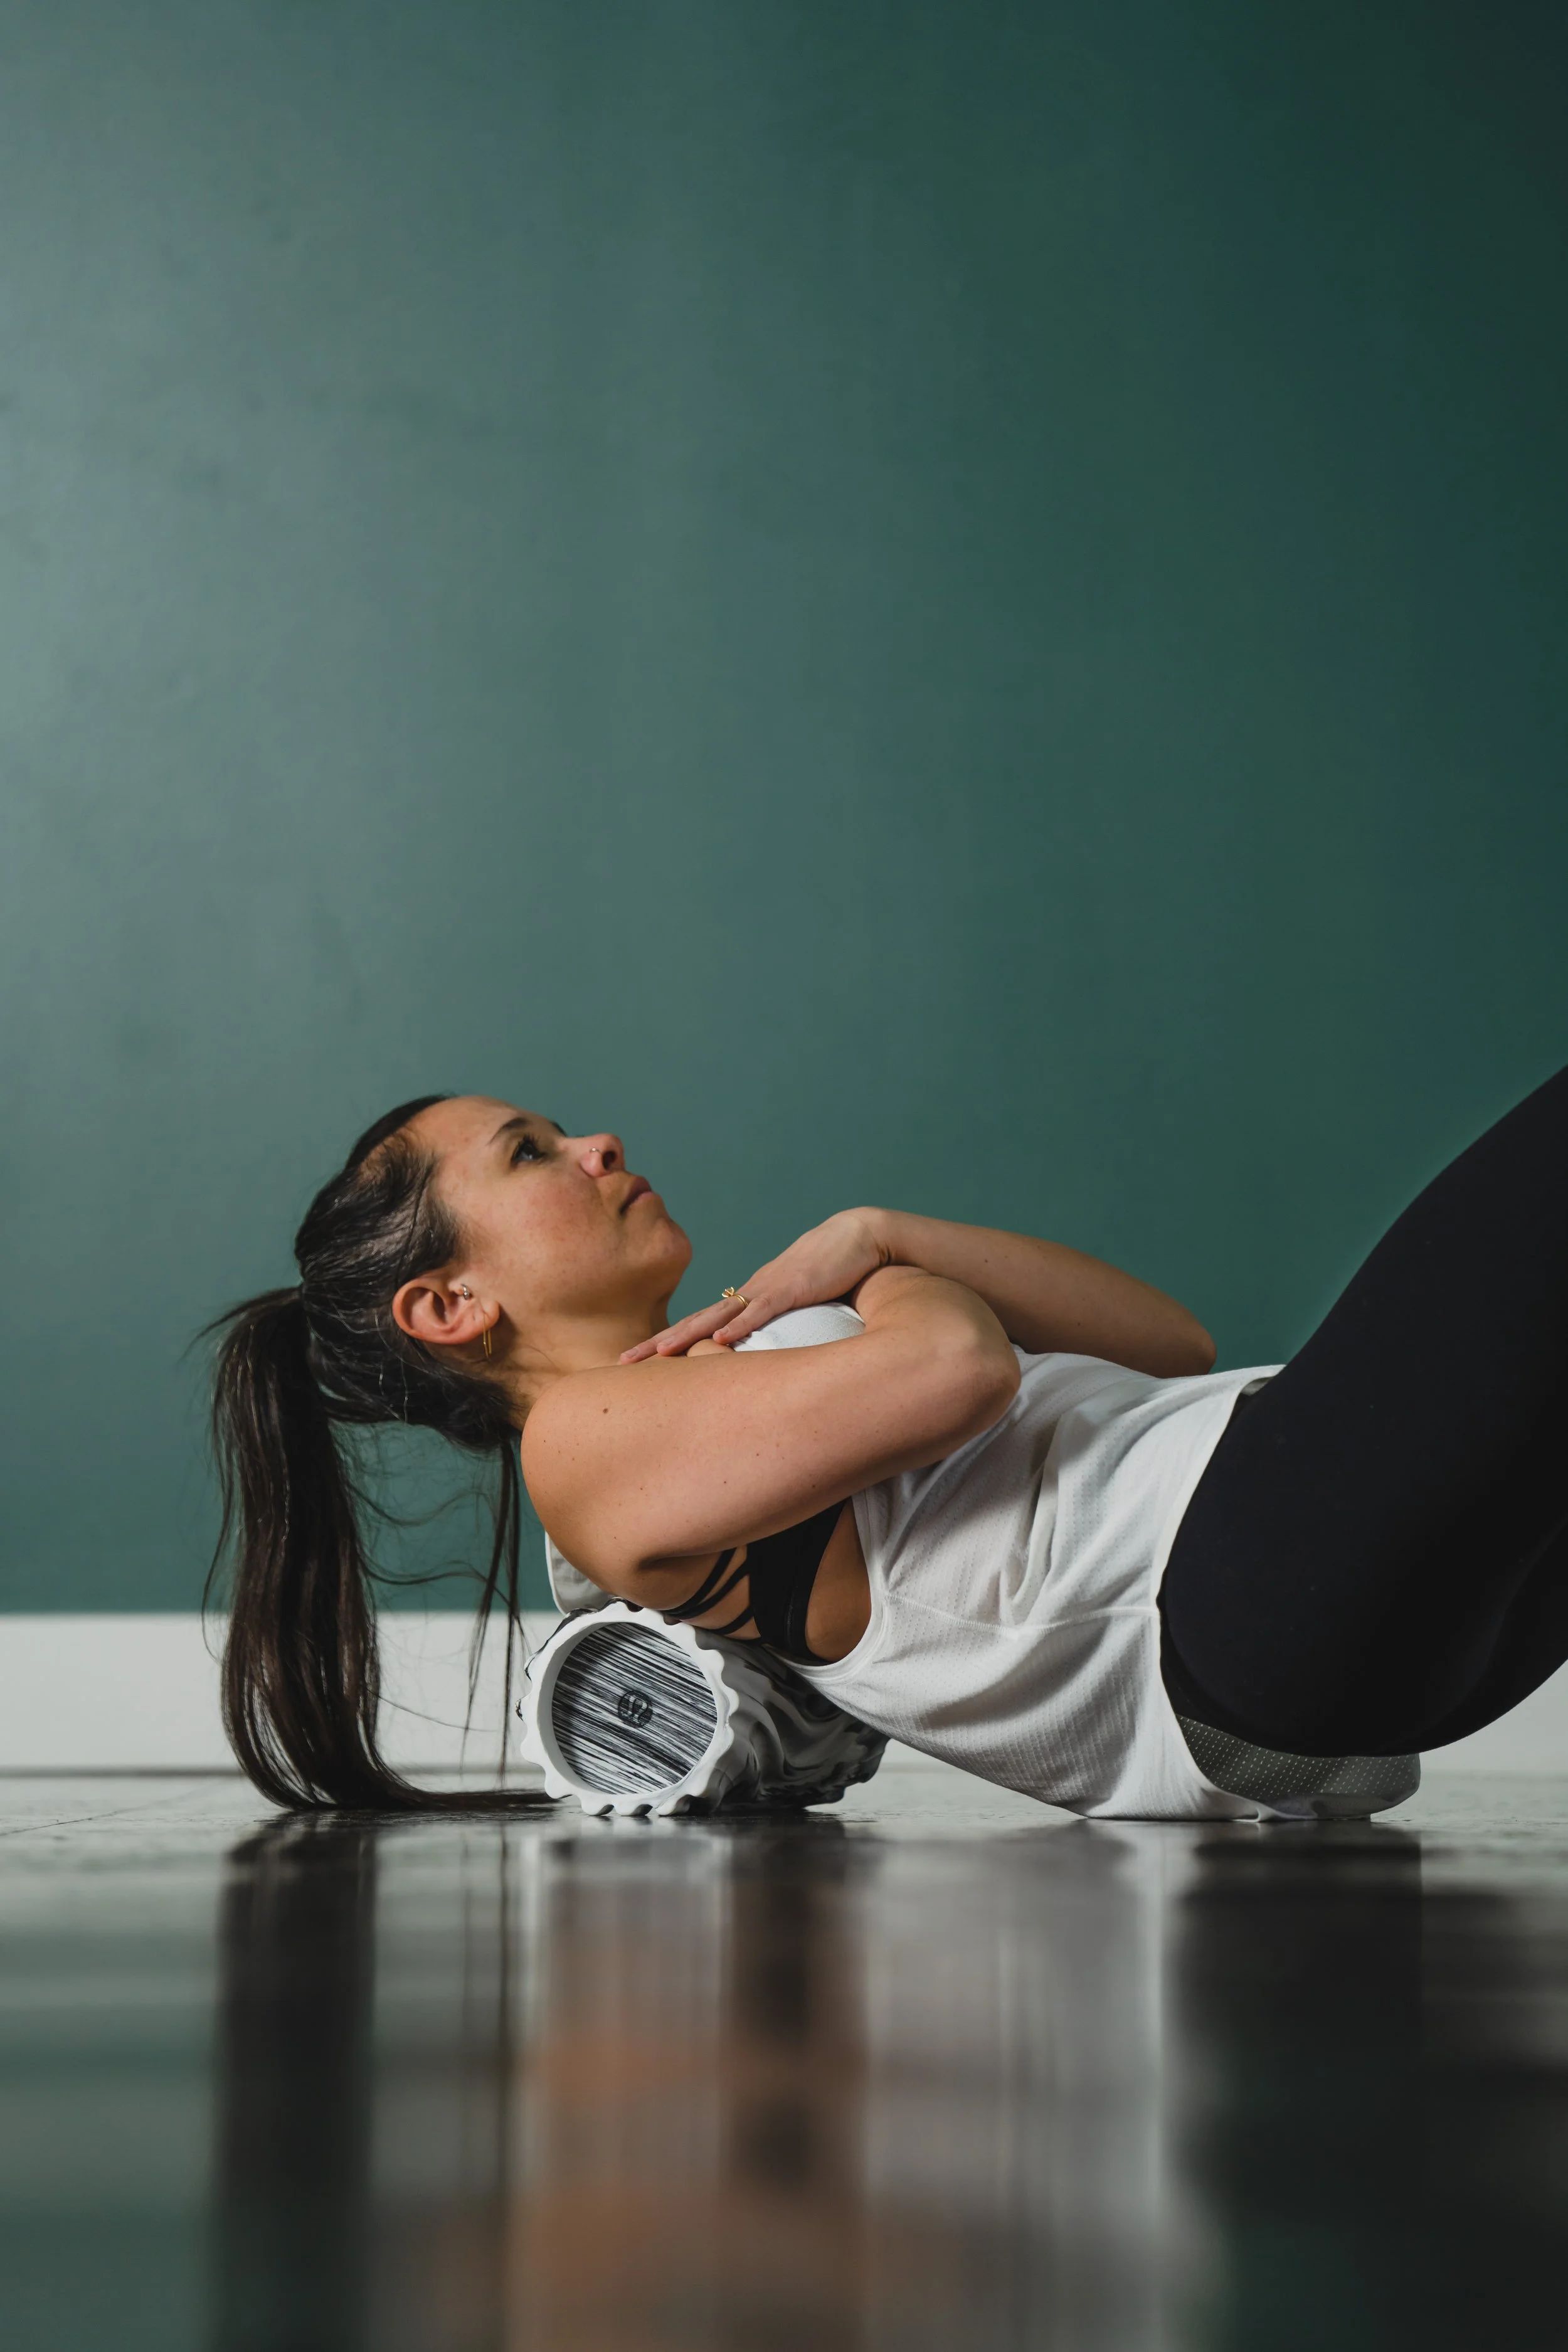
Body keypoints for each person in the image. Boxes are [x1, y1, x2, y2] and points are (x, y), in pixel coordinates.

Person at [209, 1068, 1568, 1817]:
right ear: (451, 1306)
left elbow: (1165, 1343)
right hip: (1234, 1589)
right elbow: (958, 1368)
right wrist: (871, 1264)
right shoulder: (581, 1442)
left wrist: (887, 1239)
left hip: (1315, 1611)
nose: (596, 1142)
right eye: (530, 1153)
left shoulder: (715, 1392)